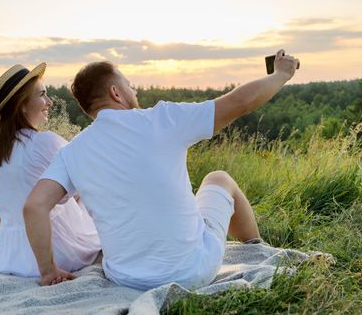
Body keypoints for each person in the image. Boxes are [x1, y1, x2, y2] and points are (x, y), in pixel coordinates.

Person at [23, 50, 300, 289]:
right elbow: (240, 102)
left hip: (126, 279)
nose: (135, 91)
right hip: (190, 271)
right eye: (129, 85)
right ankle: (255, 249)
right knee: (219, 178)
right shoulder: (160, 119)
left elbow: (34, 206)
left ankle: (252, 249)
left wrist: (49, 271)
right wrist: (280, 75)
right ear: (115, 92)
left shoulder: (72, 152)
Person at [0, 62, 101, 279]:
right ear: (22, 105)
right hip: (55, 253)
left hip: (8, 257)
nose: (49, 102)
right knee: (89, 192)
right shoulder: (44, 143)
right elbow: (88, 184)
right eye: (42, 95)